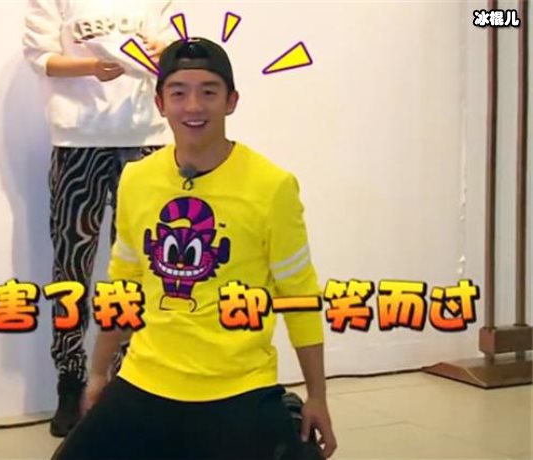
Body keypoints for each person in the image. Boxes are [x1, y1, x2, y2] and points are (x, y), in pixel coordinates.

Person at [51, 37, 338, 460]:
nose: (193, 106)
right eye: (178, 93)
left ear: (231, 101)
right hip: (145, 379)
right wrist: (97, 373)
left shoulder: (272, 186)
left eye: (208, 92)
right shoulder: (137, 179)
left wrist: (318, 396)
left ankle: (285, 411)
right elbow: (125, 286)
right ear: (160, 103)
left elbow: (299, 295)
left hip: (238, 386)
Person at [22, 0, 176, 437]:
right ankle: (70, 379)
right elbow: (41, 57)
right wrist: (93, 66)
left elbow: (174, 48)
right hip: (77, 139)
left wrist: (163, 50)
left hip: (145, 135)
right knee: (71, 265)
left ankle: (128, 378)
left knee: (141, 267)